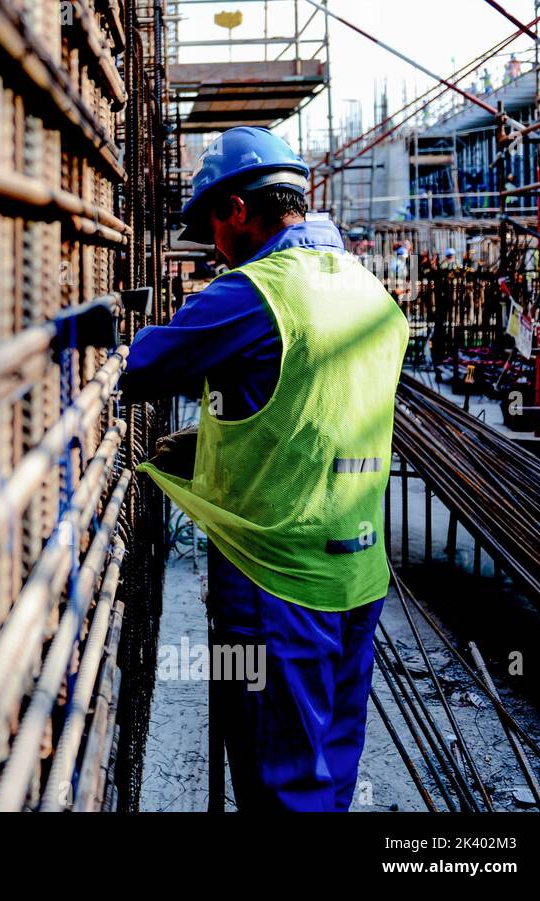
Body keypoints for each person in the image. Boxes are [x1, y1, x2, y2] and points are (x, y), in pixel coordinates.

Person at [120, 126, 410, 811]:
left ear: (238, 210)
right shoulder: (368, 291)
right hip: (358, 581)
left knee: (279, 786)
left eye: (213, 226)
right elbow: (313, 410)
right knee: (328, 777)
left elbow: (137, 366)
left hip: (276, 585)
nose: (214, 246)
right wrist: (220, 441)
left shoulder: (256, 292)